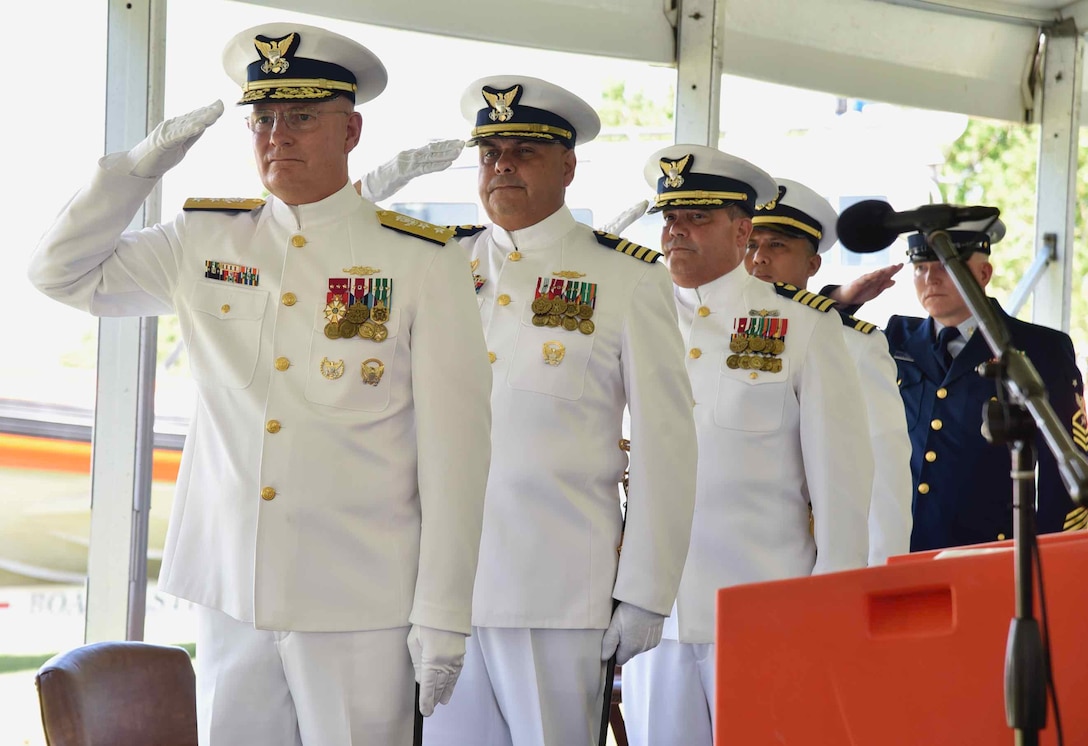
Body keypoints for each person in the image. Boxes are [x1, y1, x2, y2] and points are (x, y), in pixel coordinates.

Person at [27, 22, 493, 746]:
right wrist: (137, 168)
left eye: (303, 116)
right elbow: (58, 272)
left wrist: (442, 612)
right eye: (264, 118)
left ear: (351, 129)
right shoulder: (206, 240)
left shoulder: (420, 261)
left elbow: (456, 456)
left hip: (358, 598)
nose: (279, 134)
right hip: (230, 591)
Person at [418, 75, 698, 746]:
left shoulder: (628, 278)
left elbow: (667, 445)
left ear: (568, 166)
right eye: (491, 152)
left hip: (557, 589)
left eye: (525, 150)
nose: (503, 164)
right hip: (437, 590)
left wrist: (646, 591)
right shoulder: (436, 263)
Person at [620, 145, 873, 746]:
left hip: (766, 613)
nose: (677, 232)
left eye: (698, 217)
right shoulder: (631, 315)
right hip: (654, 614)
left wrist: (832, 612)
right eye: (670, 218)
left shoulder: (803, 326)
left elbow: (841, 486)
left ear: (742, 230)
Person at [884, 216, 1087, 550]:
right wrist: (846, 296)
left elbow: (1064, 463)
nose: (930, 278)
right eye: (919, 268)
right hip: (902, 549)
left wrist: (1050, 553)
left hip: (992, 554)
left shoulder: (1039, 348)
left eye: (944, 267)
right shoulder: (894, 340)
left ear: (983, 274)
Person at [746, 178, 913, 564]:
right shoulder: (708, 333)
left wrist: (874, 587)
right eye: (751, 244)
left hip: (802, 567)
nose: (759, 258)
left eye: (777, 245)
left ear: (813, 264)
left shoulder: (854, 347)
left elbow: (882, 487)